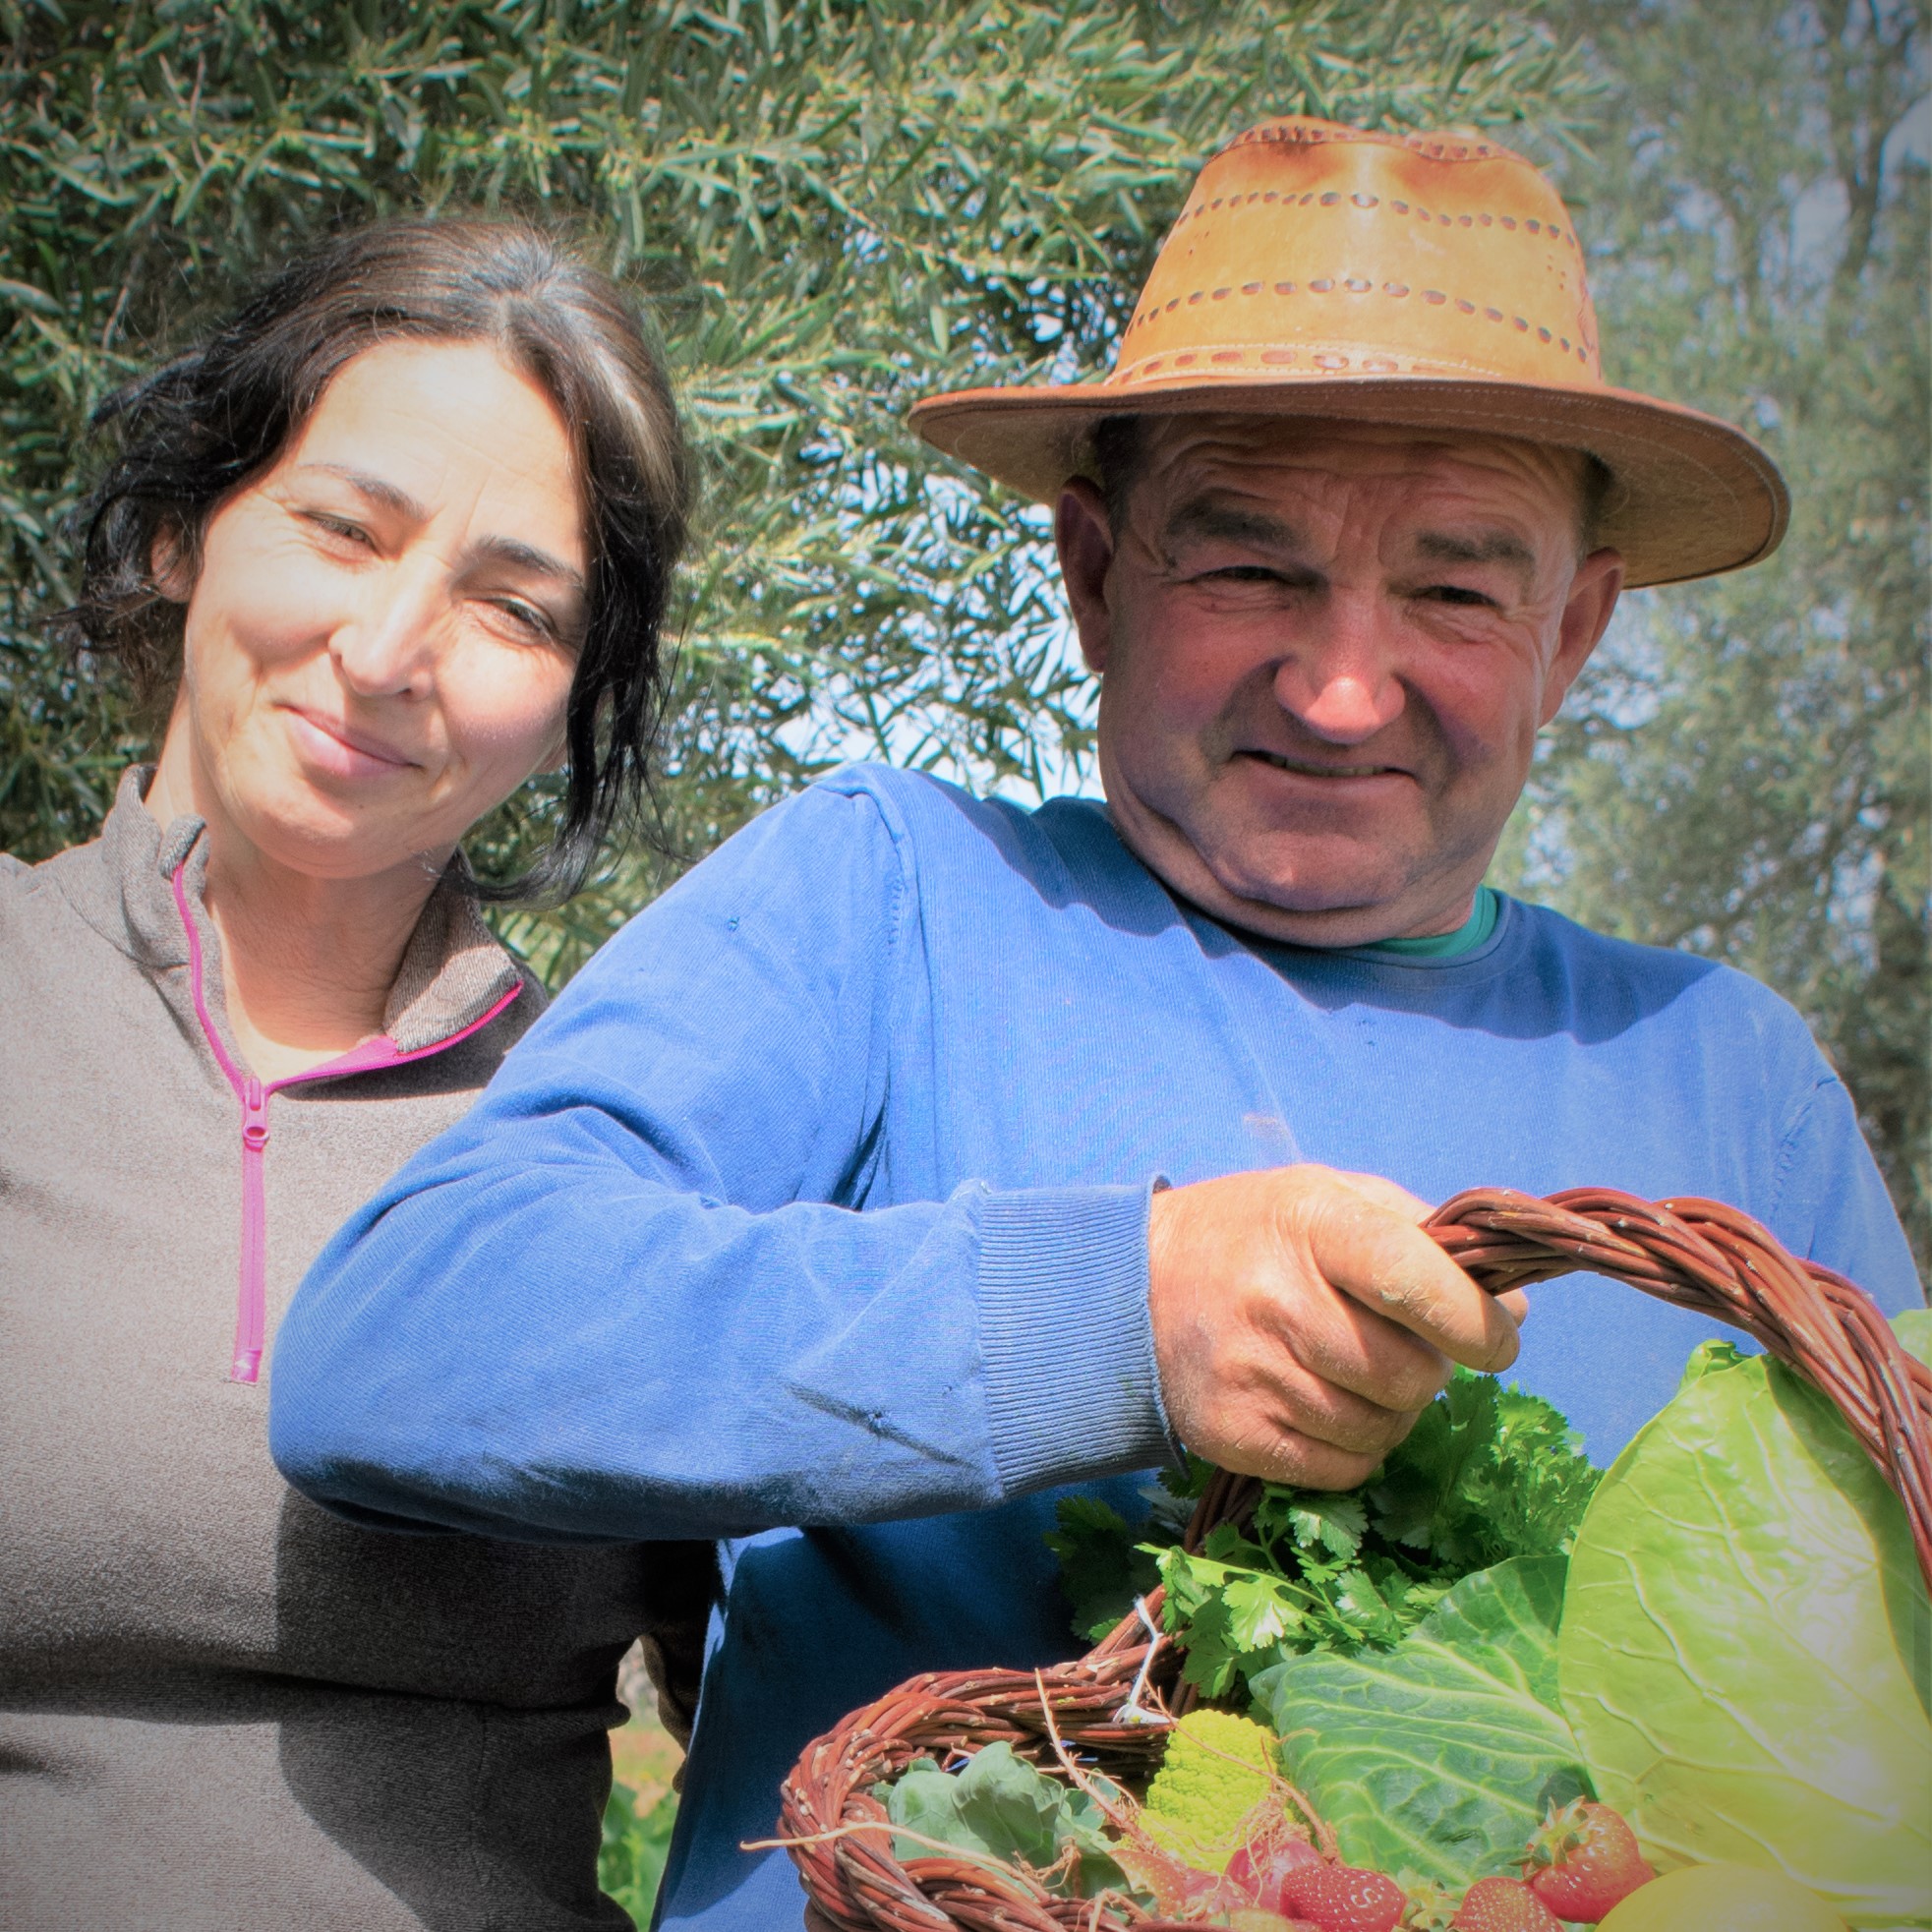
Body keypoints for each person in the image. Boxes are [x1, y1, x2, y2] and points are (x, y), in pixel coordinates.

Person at [266, 122, 1923, 1931]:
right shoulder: (887, 893)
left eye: (1455, 586)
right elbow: (404, 1336)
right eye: (1250, 568)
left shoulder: (1729, 1071)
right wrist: (1112, 1313)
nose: (1343, 682)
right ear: (1089, 572)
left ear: (1575, 629)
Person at [0, 219, 716, 1930]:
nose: (393, 650)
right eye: (343, 527)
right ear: (184, 529)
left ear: (568, 701)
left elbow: (801, 1714)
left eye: (511, 605)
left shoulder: (623, 1145)